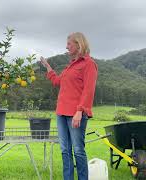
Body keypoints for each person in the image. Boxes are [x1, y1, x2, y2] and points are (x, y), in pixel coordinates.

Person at [40, 32, 98, 180]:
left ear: (79, 44)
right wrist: (48, 67)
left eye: (69, 44)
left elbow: (89, 90)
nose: (66, 47)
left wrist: (80, 111)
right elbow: (57, 82)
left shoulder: (89, 64)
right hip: (61, 113)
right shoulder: (70, 66)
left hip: (76, 114)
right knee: (65, 150)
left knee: (78, 150)